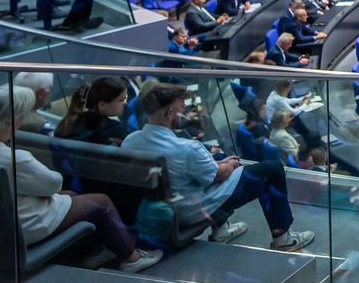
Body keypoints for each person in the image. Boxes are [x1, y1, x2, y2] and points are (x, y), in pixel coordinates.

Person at [0, 85, 161, 272]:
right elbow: (53, 183)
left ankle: (102, 248)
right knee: (101, 202)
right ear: (12, 121)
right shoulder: (16, 159)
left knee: (73, 196)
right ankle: (131, 258)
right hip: (25, 224)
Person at [123, 84, 314, 251]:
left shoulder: (130, 141)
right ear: (169, 113)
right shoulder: (186, 148)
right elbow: (220, 175)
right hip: (192, 210)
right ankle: (284, 239)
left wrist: (220, 162)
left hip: (164, 204)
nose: (185, 112)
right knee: (272, 170)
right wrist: (228, 165)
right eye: (182, 108)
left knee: (219, 156)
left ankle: (221, 231)